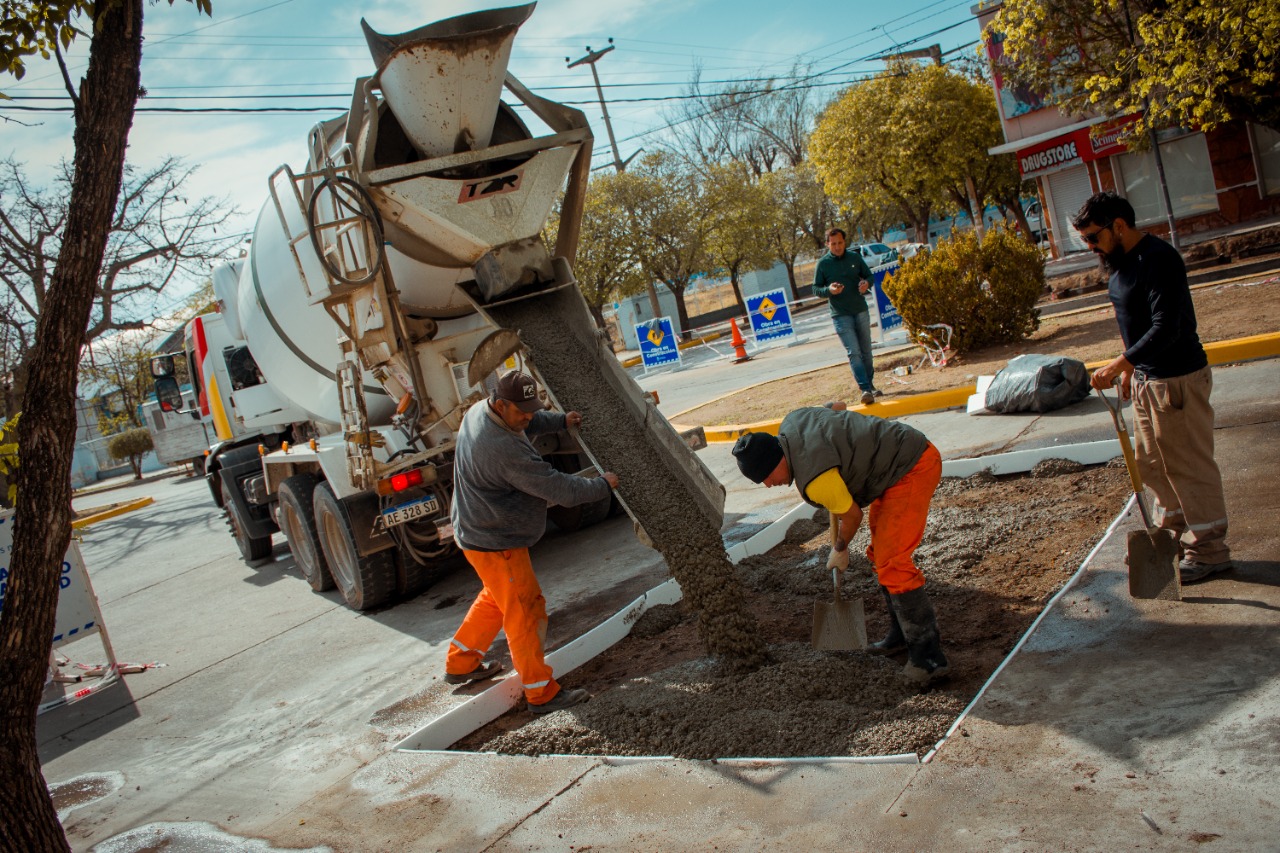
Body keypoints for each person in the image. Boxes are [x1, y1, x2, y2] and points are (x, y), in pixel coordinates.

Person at [1072, 191, 1232, 583]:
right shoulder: (1121, 266)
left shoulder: (1159, 260)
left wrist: (1119, 364)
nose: (1092, 247)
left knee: (1188, 466)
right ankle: (1171, 538)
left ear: (1119, 226)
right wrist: (1130, 368)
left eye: (1094, 237)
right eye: (1085, 241)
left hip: (1177, 379)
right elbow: (1135, 323)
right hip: (1147, 379)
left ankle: (1210, 549)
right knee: (1152, 465)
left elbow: (1166, 327)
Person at [731, 406, 949, 686]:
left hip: (911, 465)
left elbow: (853, 514)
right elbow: (834, 408)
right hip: (891, 465)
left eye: (764, 478)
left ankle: (930, 660)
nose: (767, 486)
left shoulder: (816, 480)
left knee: (893, 561)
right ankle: (901, 636)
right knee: (880, 555)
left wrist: (840, 547)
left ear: (775, 462)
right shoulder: (794, 422)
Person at [445, 369, 620, 713]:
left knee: (498, 598)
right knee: (525, 609)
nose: (528, 417)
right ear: (499, 403)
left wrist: (559, 420)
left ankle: (461, 662)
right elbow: (559, 488)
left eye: (531, 408)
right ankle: (540, 692)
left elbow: (529, 420)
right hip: (496, 539)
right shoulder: (499, 448)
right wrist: (602, 485)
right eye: (521, 411)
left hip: (474, 529)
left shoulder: (482, 411)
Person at [813, 227, 880, 406]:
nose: (837, 247)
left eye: (840, 243)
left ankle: (871, 385)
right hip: (840, 315)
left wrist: (866, 283)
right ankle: (865, 388)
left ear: (845, 242)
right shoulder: (823, 264)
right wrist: (829, 290)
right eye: (833, 244)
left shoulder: (854, 258)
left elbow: (869, 276)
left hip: (860, 310)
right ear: (827, 244)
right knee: (854, 352)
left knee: (866, 350)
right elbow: (816, 288)